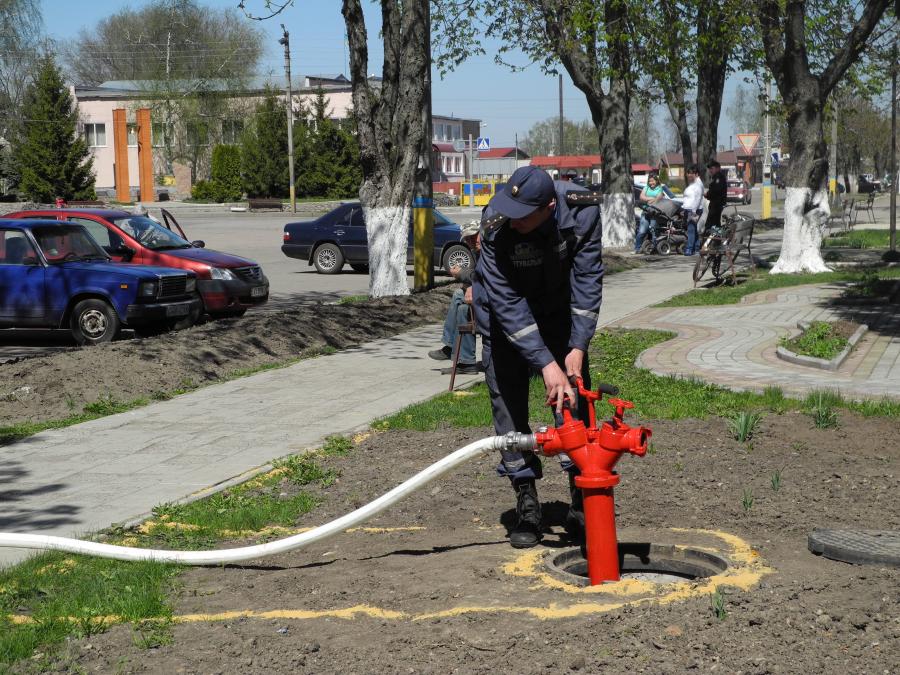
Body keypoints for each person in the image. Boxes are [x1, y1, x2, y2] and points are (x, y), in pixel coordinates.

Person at [472, 165, 604, 549]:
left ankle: (580, 499)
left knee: (572, 403)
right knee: (509, 409)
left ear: (549, 206)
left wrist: (577, 347)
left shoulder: (583, 211)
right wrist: (547, 364)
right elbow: (507, 302)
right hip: (503, 316)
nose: (513, 221)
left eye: (522, 215)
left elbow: (587, 278)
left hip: (559, 315)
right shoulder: (496, 222)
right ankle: (526, 501)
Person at [428, 221, 481, 375]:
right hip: (486, 298)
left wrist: (462, 275)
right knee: (462, 305)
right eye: (467, 239)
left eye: (473, 236)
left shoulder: (491, 250)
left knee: (460, 298)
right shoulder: (478, 251)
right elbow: (478, 275)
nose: (471, 241)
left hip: (497, 303)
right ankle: (465, 361)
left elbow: (482, 276)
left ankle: (453, 348)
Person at [634, 173, 671, 253]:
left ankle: (654, 248)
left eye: (652, 181)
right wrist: (651, 198)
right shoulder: (646, 187)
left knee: (653, 230)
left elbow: (658, 199)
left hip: (655, 213)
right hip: (646, 212)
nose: (651, 183)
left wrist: (647, 199)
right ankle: (637, 249)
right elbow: (641, 197)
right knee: (641, 231)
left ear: (656, 181)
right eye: (649, 181)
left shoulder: (660, 188)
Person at [682, 164, 704, 255]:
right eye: (688, 173)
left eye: (691, 173)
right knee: (693, 229)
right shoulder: (693, 183)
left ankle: (689, 249)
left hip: (694, 209)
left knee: (691, 229)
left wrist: (694, 211)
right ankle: (697, 248)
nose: (689, 175)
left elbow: (698, 199)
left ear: (697, 174)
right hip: (689, 209)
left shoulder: (698, 184)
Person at [704, 160, 727, 233]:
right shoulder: (715, 177)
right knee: (716, 224)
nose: (710, 170)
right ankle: (717, 241)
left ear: (717, 168)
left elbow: (716, 191)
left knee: (709, 225)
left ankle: (710, 241)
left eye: (712, 168)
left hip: (716, 205)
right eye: (710, 169)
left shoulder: (718, 178)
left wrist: (707, 194)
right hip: (715, 204)